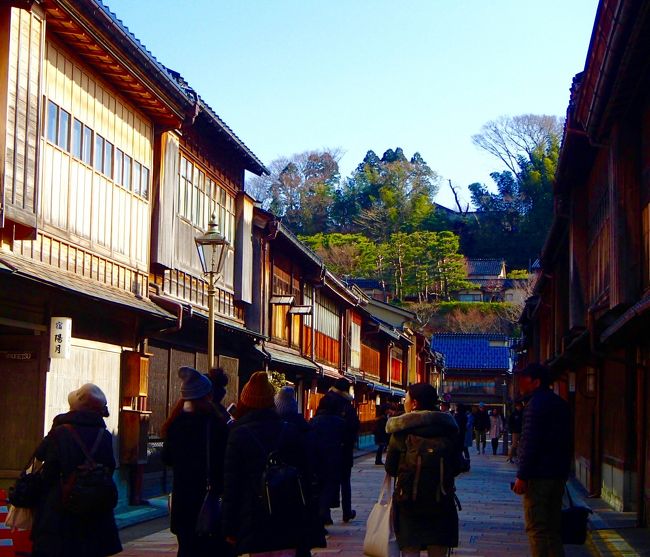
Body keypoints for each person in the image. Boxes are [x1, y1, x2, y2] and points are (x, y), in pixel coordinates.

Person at [222, 371, 313, 556]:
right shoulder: (290, 431)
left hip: (253, 516)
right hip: (288, 513)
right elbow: (307, 476)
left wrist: (229, 527)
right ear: (271, 402)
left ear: (245, 401)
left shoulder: (238, 435)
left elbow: (232, 486)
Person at [30, 383, 122, 557]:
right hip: (96, 512)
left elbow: (44, 466)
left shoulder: (60, 433)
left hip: (60, 512)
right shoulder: (105, 435)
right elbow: (109, 467)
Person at [385, 383, 460, 557]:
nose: (405, 401)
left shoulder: (401, 431)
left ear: (415, 403)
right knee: (438, 547)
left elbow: (391, 468)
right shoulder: (448, 429)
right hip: (441, 500)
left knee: (410, 547)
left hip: (409, 501)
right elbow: (456, 466)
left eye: (407, 398)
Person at [162, 367, 229, 557]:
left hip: (183, 501)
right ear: (207, 395)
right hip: (209, 500)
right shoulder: (216, 424)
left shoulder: (174, 424)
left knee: (187, 548)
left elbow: (166, 458)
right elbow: (225, 463)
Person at [512, 364, 570, 557]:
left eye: (524, 379)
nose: (520, 383)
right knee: (553, 528)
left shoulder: (535, 406)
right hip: (557, 474)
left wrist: (522, 475)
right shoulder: (560, 404)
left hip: (538, 475)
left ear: (536, 382)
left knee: (537, 528)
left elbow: (530, 442)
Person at [320, 378, 360, 522]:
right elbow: (354, 426)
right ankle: (347, 512)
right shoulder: (346, 405)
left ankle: (326, 514)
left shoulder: (325, 399)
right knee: (345, 481)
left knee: (326, 481)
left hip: (325, 449)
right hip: (343, 449)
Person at [309, 395, 346, 526]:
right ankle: (324, 513)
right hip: (334, 458)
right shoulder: (340, 422)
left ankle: (323, 513)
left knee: (319, 487)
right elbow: (345, 442)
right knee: (330, 487)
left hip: (317, 458)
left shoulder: (314, 421)